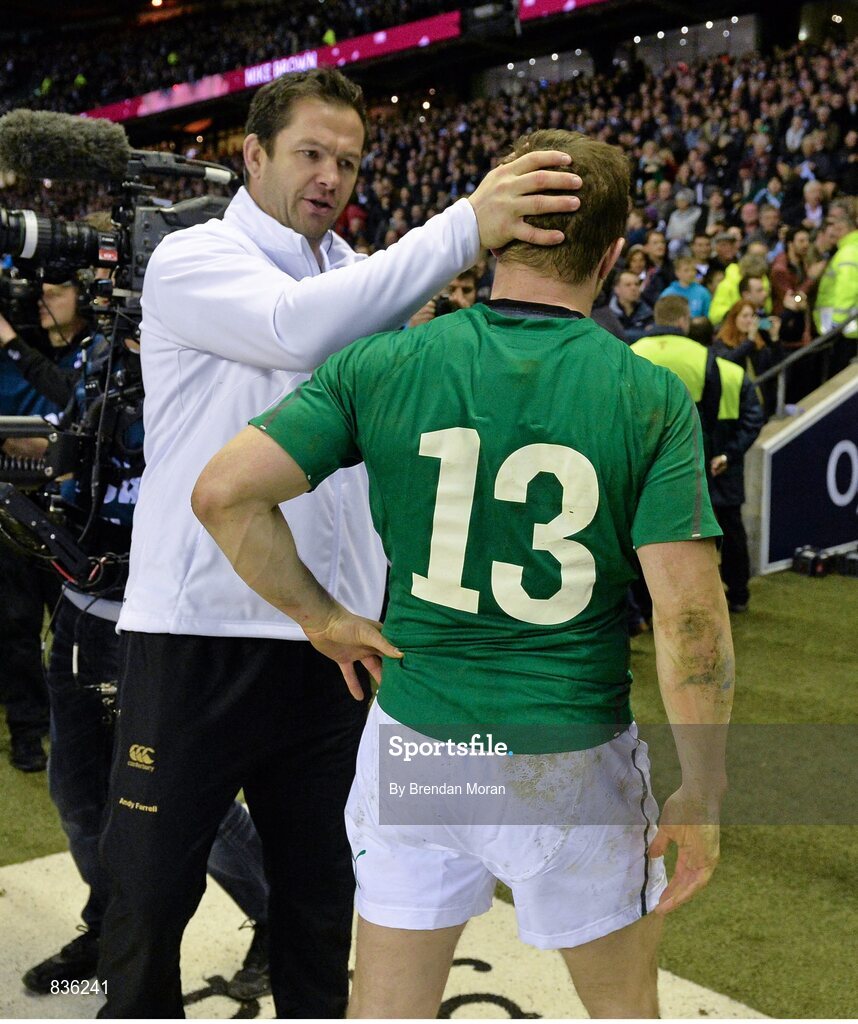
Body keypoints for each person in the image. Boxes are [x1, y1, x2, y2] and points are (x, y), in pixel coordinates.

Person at [193, 129, 734, 1020]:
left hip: (420, 742)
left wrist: (320, 617)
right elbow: (690, 620)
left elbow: (223, 495)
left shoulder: (385, 360)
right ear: (611, 253)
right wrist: (703, 786)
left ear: (495, 233)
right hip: (568, 755)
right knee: (625, 1012)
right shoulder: (644, 393)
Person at [96, 67, 582, 1019]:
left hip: (334, 645)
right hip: (198, 633)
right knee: (149, 905)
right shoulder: (194, 258)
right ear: (252, 154)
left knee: (323, 905)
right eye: (311, 154)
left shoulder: (356, 276)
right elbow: (292, 331)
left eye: (349, 161)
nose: (331, 176)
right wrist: (464, 225)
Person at [0, 276, 273, 1001]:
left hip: (157, 617)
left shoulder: (209, 362)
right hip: (83, 605)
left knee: (180, 801)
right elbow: (62, 424)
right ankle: (108, 927)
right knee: (78, 791)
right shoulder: (95, 356)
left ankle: (277, 915)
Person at [0, 275, 88, 772]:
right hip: (15, 506)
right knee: (16, 622)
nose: (42, 301)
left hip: (72, 510)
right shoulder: (27, 349)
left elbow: (77, 421)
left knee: (75, 622)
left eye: (56, 291)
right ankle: (29, 730)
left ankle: (67, 724)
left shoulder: (88, 354)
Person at [633, 295, 764, 612]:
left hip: (645, 458)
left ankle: (646, 605)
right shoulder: (713, 363)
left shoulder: (631, 353)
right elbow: (721, 411)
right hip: (705, 457)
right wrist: (723, 453)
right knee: (720, 530)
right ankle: (732, 596)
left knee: (644, 531)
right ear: (684, 321)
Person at [814, 198, 858, 375]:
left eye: (836, 229)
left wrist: (836, 324)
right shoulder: (849, 249)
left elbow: (847, 289)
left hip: (845, 330)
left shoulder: (849, 252)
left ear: (843, 229)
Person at [407, 267, 479, 327]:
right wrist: (415, 331)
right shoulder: (420, 315)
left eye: (467, 290)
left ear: (476, 292)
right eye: (450, 289)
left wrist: (471, 323)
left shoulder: (482, 323)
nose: (458, 297)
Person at [608, 269, 654, 343]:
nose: (634, 288)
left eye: (636, 284)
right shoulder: (607, 315)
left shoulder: (648, 313)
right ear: (617, 289)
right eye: (628, 285)